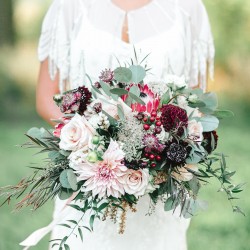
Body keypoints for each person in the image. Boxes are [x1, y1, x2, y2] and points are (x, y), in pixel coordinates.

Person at [27, 0, 215, 249]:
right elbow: (46, 97)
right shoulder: (68, 6)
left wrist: (162, 151)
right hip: (88, 179)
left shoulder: (188, 8)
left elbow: (197, 104)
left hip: (159, 183)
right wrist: (89, 144)